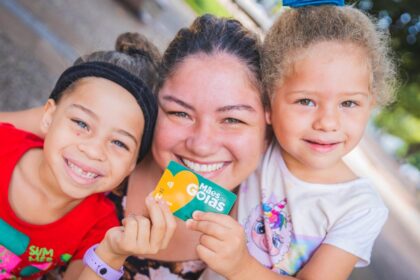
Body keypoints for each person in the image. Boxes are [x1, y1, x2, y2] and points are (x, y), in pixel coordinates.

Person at [0, 14, 270, 279]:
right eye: (180, 113)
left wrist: (242, 269)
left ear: (269, 127)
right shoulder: (117, 125)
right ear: (154, 103)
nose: (201, 144)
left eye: (232, 119)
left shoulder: (269, 229)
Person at [187, 1, 398, 280]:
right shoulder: (258, 145)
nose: (328, 122)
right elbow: (195, 184)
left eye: (348, 103)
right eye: (306, 101)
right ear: (269, 102)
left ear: (370, 105)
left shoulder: (360, 207)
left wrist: (240, 266)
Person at [0, 33, 176, 280]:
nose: (93, 150)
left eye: (119, 142)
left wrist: (113, 254)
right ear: (49, 115)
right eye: (82, 123)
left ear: (131, 166)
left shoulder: (101, 228)